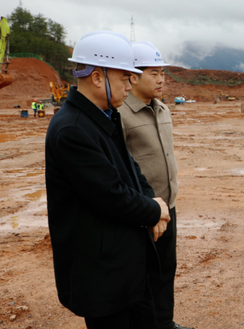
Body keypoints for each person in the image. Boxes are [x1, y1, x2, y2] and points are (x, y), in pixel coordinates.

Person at [45, 30, 170, 329]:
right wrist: (155, 210)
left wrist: (152, 200)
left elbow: (132, 170)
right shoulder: (72, 129)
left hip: (123, 266)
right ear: (97, 77)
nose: (130, 85)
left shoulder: (103, 116)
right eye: (125, 78)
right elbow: (110, 195)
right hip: (102, 275)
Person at [118, 41, 191, 329]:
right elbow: (122, 169)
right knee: (144, 277)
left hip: (168, 207)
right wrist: (144, 208)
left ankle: (165, 322)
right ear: (133, 77)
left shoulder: (162, 110)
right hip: (143, 212)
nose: (161, 79)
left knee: (166, 270)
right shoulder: (121, 114)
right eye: (154, 73)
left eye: (162, 73)